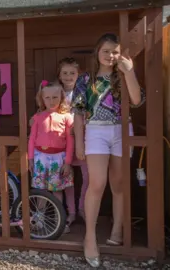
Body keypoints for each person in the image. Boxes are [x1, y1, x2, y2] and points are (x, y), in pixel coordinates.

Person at [72, 33, 145, 268]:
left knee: (120, 183)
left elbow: (136, 100)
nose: (110, 55)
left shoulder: (121, 75)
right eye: (106, 51)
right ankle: (90, 237)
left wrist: (130, 71)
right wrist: (79, 143)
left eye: (115, 51)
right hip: (96, 131)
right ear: (97, 52)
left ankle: (117, 231)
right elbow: (78, 113)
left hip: (122, 131)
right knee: (97, 183)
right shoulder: (86, 79)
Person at [56, 57, 90, 232]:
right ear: (60, 75)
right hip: (63, 143)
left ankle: (84, 209)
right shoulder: (57, 93)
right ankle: (69, 213)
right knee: (66, 180)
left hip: (83, 141)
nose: (69, 76)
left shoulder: (84, 92)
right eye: (65, 73)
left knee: (88, 178)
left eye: (72, 73)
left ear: (79, 74)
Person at [28, 80, 74, 205]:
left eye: (55, 97)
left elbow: (70, 141)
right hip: (40, 158)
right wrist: (31, 159)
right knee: (40, 190)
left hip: (59, 158)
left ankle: (58, 219)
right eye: (47, 98)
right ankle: (40, 218)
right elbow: (32, 138)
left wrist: (68, 162)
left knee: (57, 190)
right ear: (42, 99)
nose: (51, 101)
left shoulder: (67, 117)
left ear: (61, 97)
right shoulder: (37, 117)